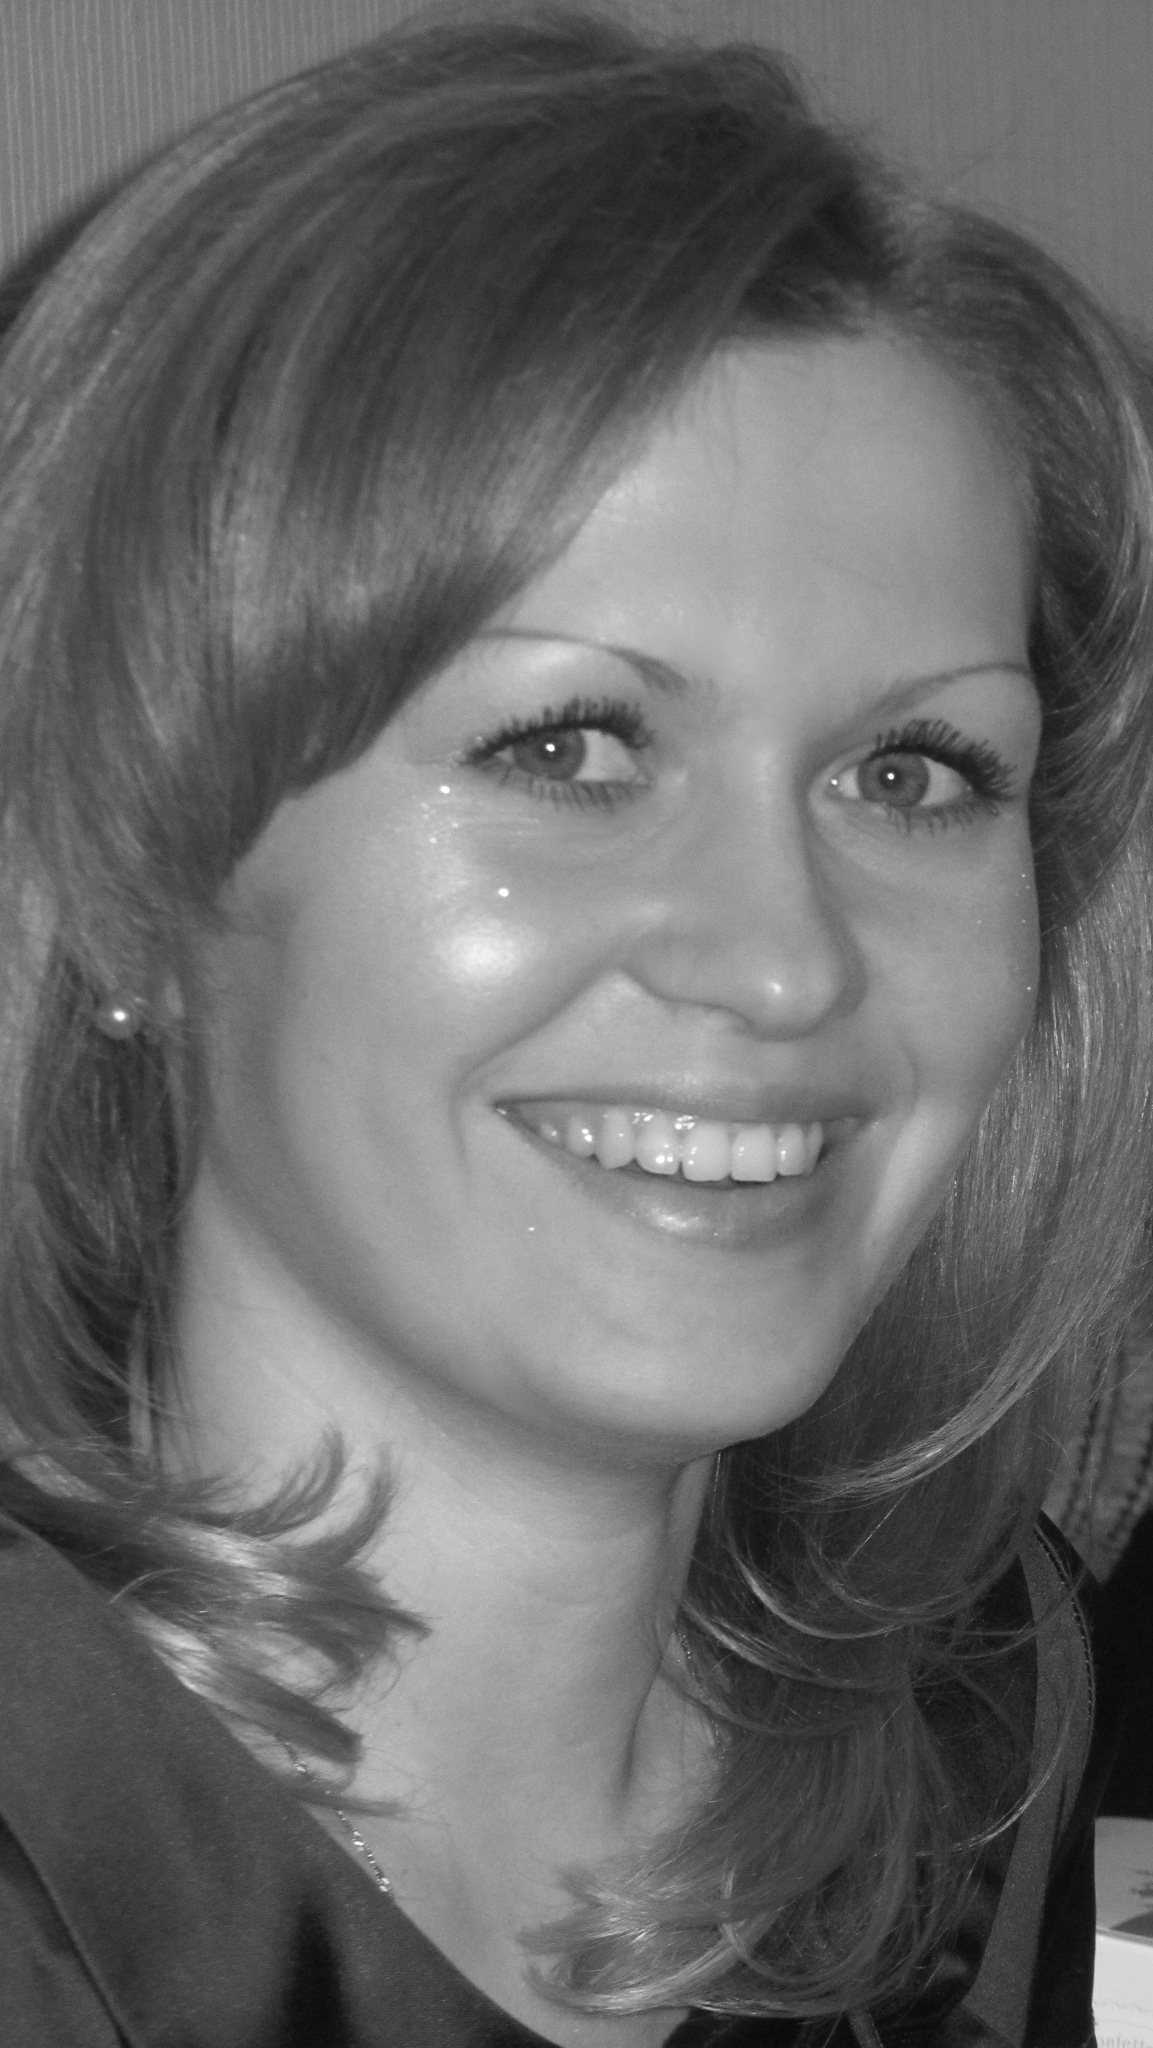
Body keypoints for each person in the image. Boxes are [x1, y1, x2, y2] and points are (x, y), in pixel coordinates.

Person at [0, 9, 1150, 2044]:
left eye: (911, 774)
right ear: (131, 878)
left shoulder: (998, 1732)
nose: (783, 963)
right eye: (568, 747)